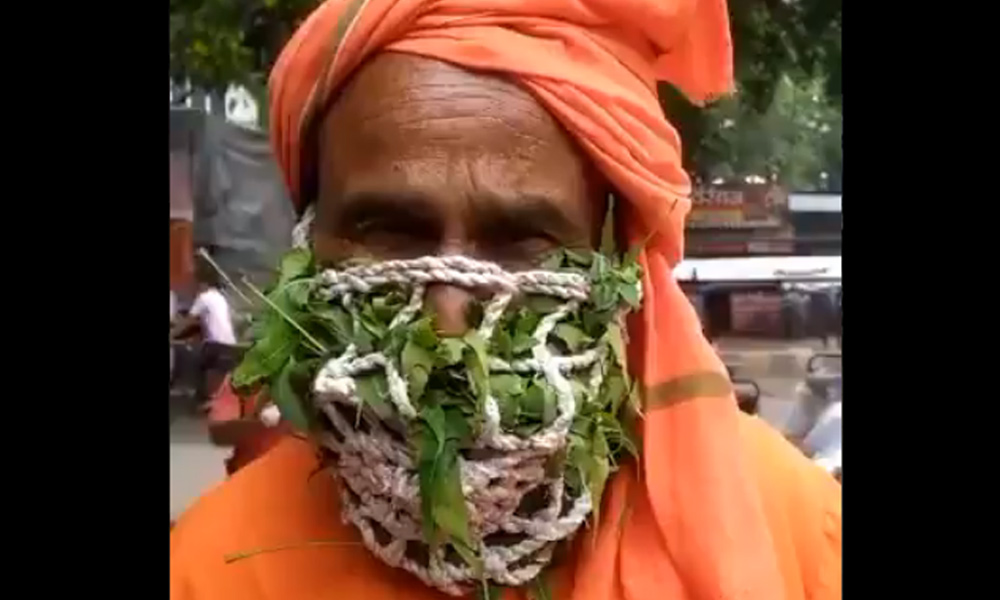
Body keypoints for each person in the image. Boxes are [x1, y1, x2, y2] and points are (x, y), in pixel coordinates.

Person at [171, 1, 841, 599]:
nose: (449, 313)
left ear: (617, 262)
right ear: (308, 247)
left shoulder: (798, 533)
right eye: (390, 231)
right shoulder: (209, 570)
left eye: (522, 237)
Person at [171, 260, 238, 405]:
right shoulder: (219, 297)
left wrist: (171, 335)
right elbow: (208, 322)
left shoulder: (204, 297)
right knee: (212, 371)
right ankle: (210, 397)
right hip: (230, 345)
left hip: (215, 346)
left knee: (197, 364)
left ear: (202, 283)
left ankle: (203, 398)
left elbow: (187, 322)